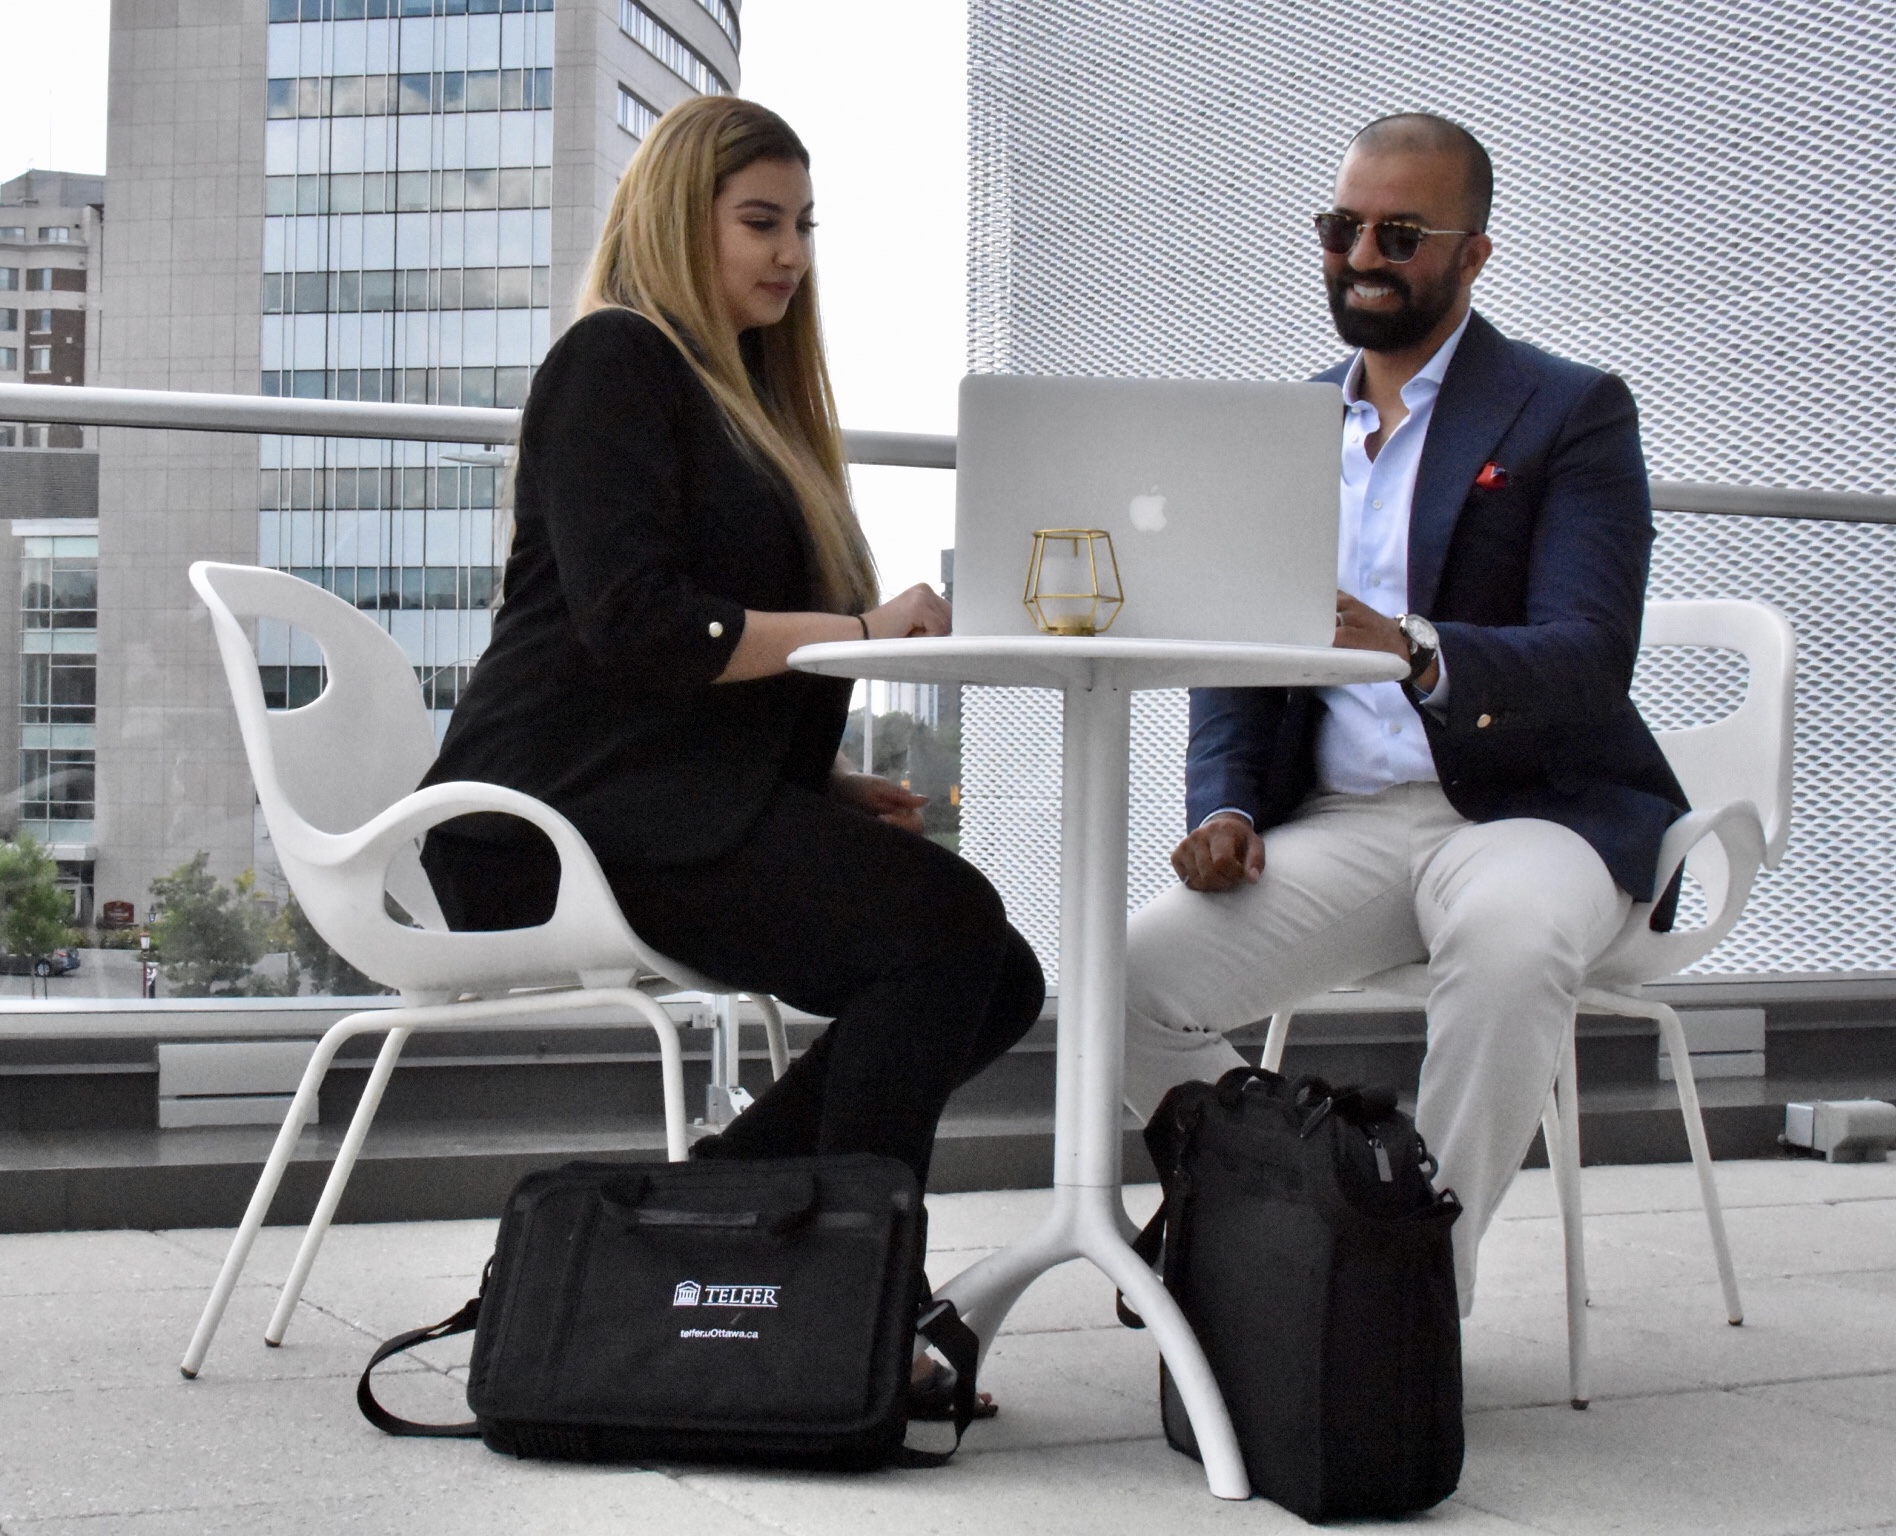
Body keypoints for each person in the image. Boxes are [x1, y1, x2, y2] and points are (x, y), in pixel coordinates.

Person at [419, 96, 1045, 1205]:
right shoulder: (614, 359)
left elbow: (690, 681)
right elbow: (643, 630)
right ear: (677, 216)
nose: (792, 253)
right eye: (762, 222)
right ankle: (856, 1282)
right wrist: (860, 632)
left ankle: (715, 1214)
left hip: (662, 803)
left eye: (805, 225)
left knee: (1000, 976)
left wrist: (817, 783)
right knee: (946, 931)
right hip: (548, 826)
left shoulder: (749, 399)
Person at [1117, 113, 1685, 1312]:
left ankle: (1416, 1296)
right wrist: (1223, 802)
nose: (1361, 254)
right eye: (1341, 227)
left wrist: (1414, 652)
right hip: (1344, 823)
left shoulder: (1569, 410)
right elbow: (1237, 661)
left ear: (1474, 255)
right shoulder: (1287, 429)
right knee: (1122, 980)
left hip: (1534, 812)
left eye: (1399, 232)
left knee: (1517, 941)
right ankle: (1272, 1196)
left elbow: (1590, 657)